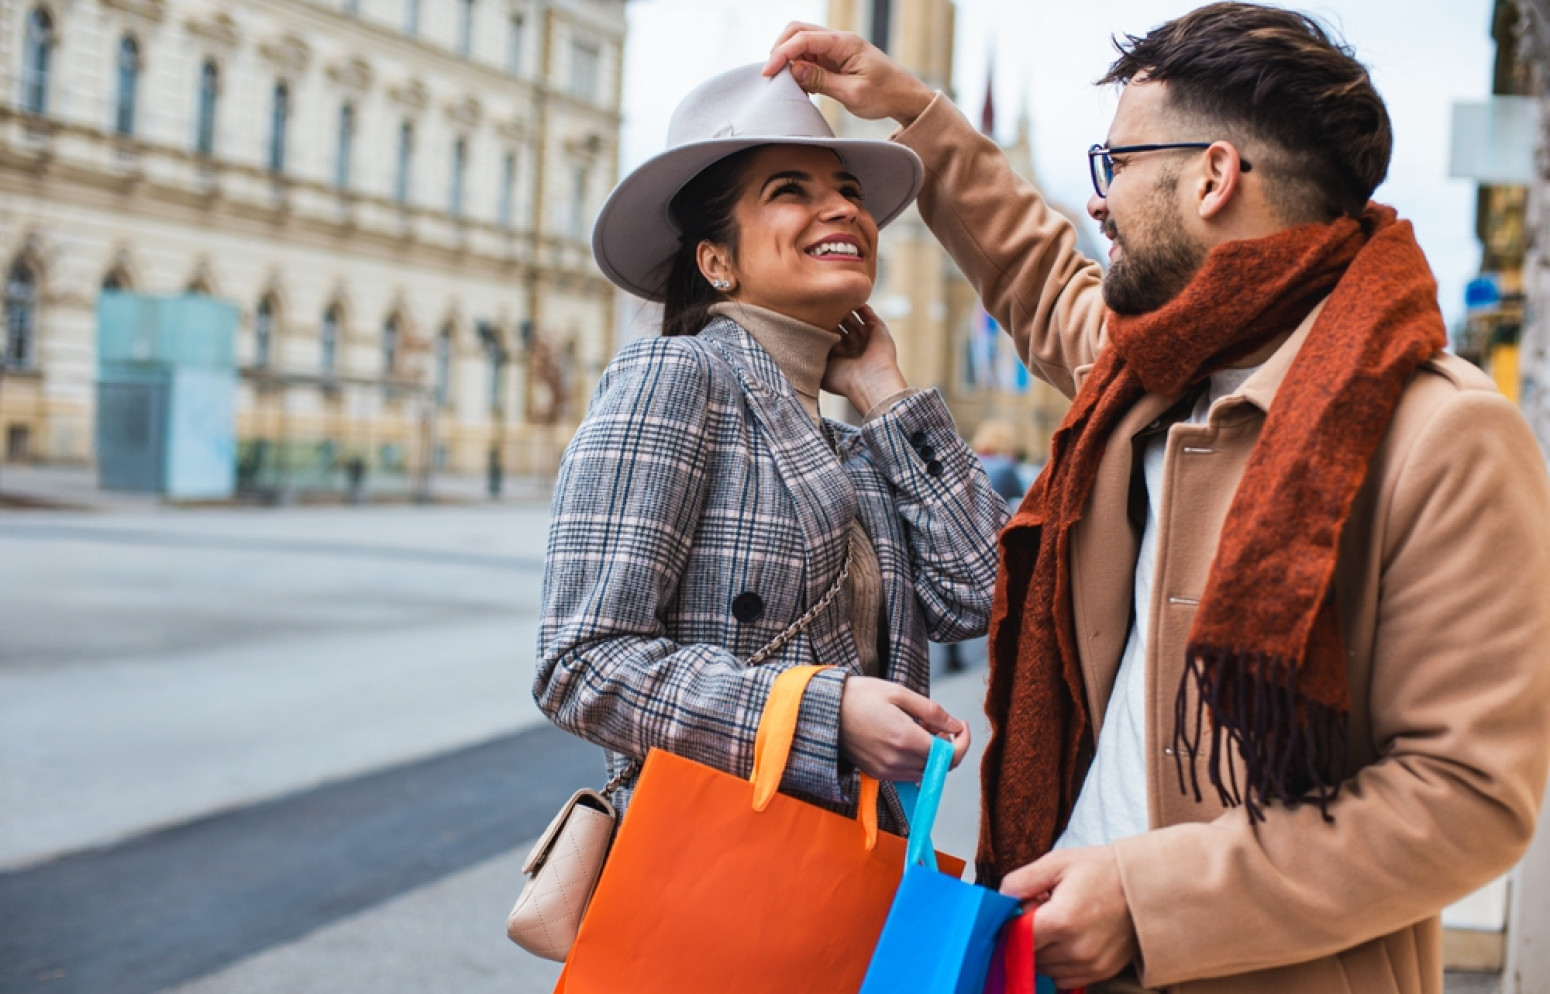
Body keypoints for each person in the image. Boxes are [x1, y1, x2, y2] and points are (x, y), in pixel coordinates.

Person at [767, 5, 1550, 993]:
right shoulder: (1148, 364)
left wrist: (1148, 900)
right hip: (1049, 953)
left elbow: (1466, 796)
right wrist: (913, 110)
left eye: (1116, 165)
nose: (1095, 203)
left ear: (1213, 176)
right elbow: (1031, 266)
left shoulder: (1442, 435)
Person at [533, 65, 1008, 828]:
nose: (841, 209)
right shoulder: (678, 375)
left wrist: (887, 392)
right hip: (715, 870)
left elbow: (980, 592)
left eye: (848, 191)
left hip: (849, 868)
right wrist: (822, 716)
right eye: (791, 189)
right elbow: (580, 663)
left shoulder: (856, 439)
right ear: (716, 261)